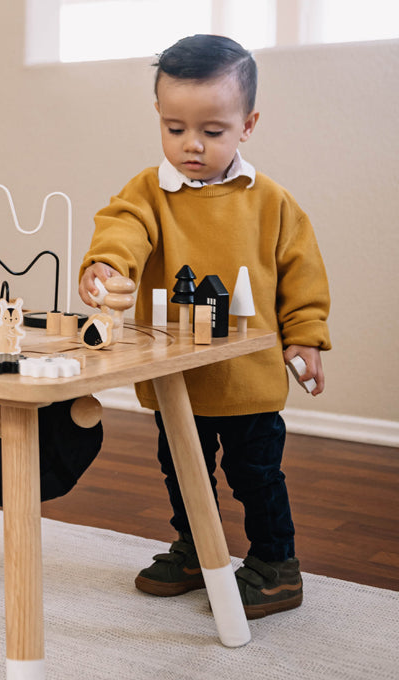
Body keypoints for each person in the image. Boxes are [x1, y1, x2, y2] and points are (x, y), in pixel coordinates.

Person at [78, 34, 331, 619]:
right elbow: (121, 229)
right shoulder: (148, 192)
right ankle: (198, 549)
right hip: (176, 379)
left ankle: (276, 564)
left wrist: (305, 336)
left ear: (247, 126)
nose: (190, 144)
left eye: (212, 131)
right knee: (182, 472)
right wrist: (106, 266)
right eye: (175, 128)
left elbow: (302, 276)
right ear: (159, 118)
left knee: (255, 475)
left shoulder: (272, 203)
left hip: (247, 381)